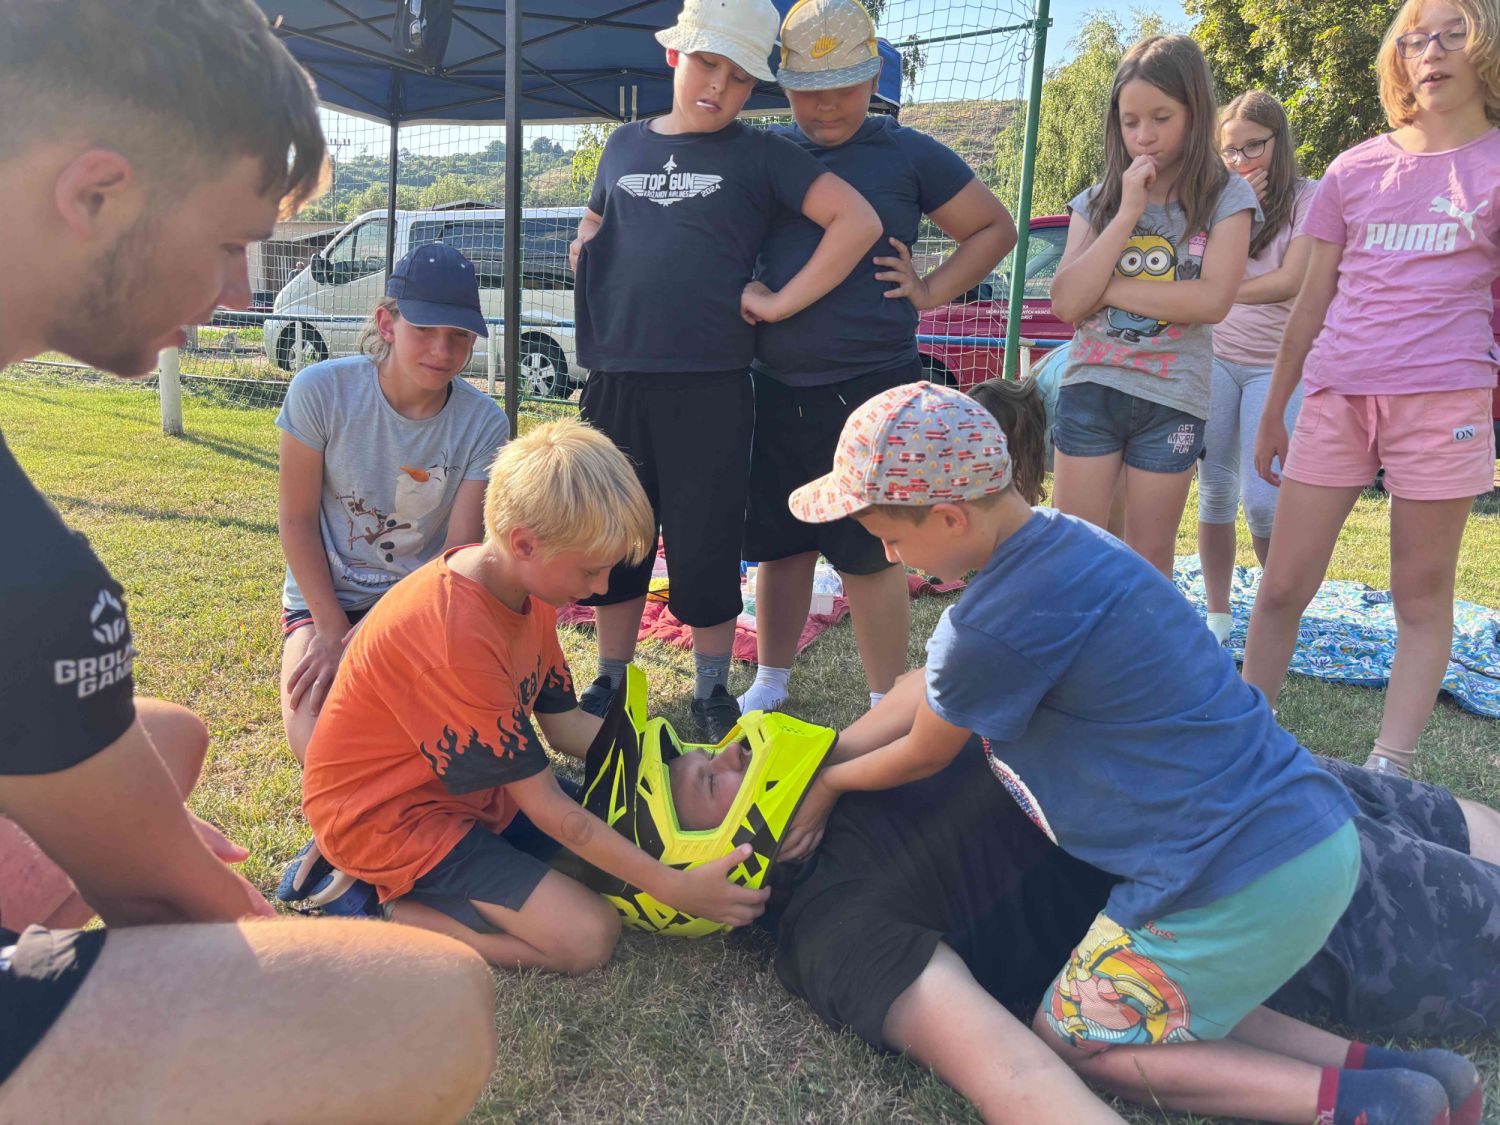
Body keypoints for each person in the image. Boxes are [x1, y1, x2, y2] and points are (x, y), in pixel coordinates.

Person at [0, 2, 497, 1121]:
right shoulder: (33, 579)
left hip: (389, 617)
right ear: (94, 194)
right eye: (231, 243)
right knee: (434, 1004)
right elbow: (174, 900)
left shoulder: (476, 417)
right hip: (332, 619)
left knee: (167, 736)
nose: (238, 291)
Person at [780, 381, 1473, 1124]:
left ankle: (1364, 1106)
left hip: (1224, 875)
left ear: (950, 517)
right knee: (1157, 999)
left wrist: (828, 783)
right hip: (1309, 830)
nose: (889, 554)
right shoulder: (1076, 541)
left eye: (890, 537)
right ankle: (1414, 1075)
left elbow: (924, 749)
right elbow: (933, 694)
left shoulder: (985, 627)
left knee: (1070, 1035)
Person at [300, 419, 770, 972]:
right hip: (387, 819)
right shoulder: (455, 635)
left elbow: (565, 725)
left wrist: (672, 759)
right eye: (591, 570)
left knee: (612, 858)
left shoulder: (524, 587)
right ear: (524, 543)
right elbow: (548, 808)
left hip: (473, 794)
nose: (601, 588)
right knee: (588, 935)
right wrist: (674, 887)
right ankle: (388, 910)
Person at [568, 0, 882, 742]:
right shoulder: (623, 144)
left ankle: (712, 686)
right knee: (612, 532)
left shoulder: (760, 153)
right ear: (674, 56)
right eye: (708, 64)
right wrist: (586, 243)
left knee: (706, 537)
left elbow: (858, 221)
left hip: (710, 383)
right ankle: (610, 676)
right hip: (616, 376)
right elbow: (597, 215)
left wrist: (779, 302)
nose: (719, 86)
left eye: (740, 77)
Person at [1242, 0, 1500, 778]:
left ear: (1487, 48)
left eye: (1454, 34)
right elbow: (1310, 304)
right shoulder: (1354, 168)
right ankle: (1244, 740)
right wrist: (1275, 412)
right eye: (1416, 39)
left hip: (1445, 404)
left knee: (1420, 597)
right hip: (1336, 399)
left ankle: (1389, 766)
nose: (1432, 52)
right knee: (1281, 586)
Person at [736, 0, 1016, 716]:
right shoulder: (763, 152)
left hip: (874, 390)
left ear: (874, 81)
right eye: (809, 89)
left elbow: (993, 227)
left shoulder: (907, 152)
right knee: (780, 543)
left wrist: (930, 291)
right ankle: (769, 681)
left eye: (844, 86)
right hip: (773, 384)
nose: (826, 104)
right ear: (783, 87)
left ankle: (885, 696)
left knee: (873, 547)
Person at [277, 243, 509, 765]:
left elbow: (457, 554)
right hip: (324, 603)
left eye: (459, 335)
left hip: (421, 600)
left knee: (451, 743)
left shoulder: (485, 423)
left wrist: (379, 632)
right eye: (424, 329)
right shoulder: (320, 391)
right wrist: (331, 630)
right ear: (386, 324)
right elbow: (295, 520)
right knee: (319, 751)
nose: (442, 350)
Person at [1049, 35, 1258, 577]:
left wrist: (1108, 288)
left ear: (1195, 112)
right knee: (1075, 550)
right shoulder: (1099, 200)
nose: (1144, 136)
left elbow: (1211, 300)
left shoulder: (1227, 197)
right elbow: (1068, 301)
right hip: (1092, 386)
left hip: (1173, 398)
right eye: (1130, 121)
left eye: (1161, 118)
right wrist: (1127, 212)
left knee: (1148, 559)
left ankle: (1140, 639)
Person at [1197, 91, 1319, 645]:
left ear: (1279, 142)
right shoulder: (1216, 199)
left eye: (1254, 147)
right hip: (1216, 356)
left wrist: (1218, 292)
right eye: (1230, 150)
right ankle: (1218, 615)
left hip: (1278, 365)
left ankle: (1276, 613)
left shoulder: (1309, 197)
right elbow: (1195, 270)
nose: (1241, 160)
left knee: (1266, 501)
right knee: (1216, 490)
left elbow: (1290, 281)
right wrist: (1236, 203)